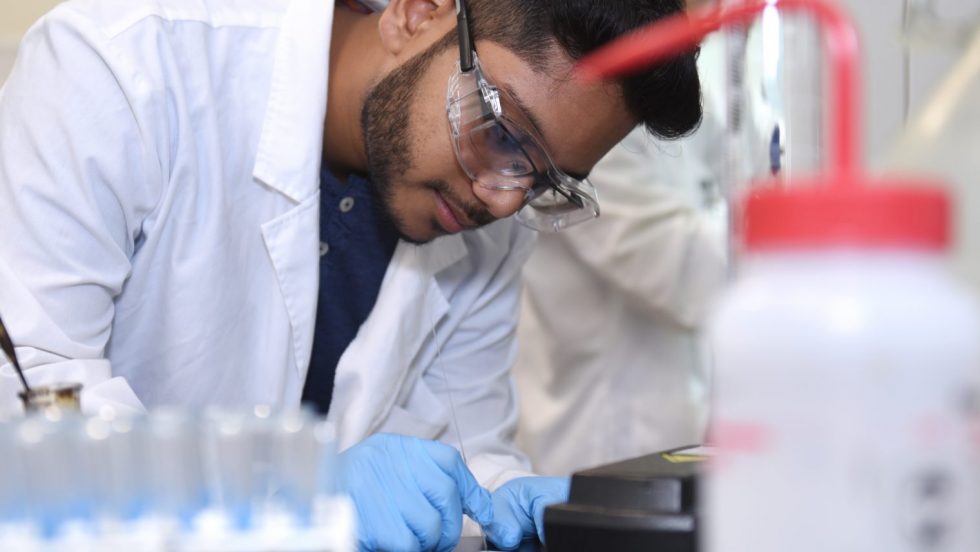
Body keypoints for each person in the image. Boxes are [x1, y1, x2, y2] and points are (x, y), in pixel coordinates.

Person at [0, 0, 702, 549]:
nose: (504, 197)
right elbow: (30, 424)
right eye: (504, 133)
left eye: (547, 179)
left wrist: (509, 500)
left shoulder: (484, 210)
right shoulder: (122, 68)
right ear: (418, 12)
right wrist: (292, 496)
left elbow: (459, 451)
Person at [515, 115, 727, 475]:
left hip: (671, 414)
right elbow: (669, 264)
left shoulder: (697, 102)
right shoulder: (593, 110)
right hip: (599, 431)